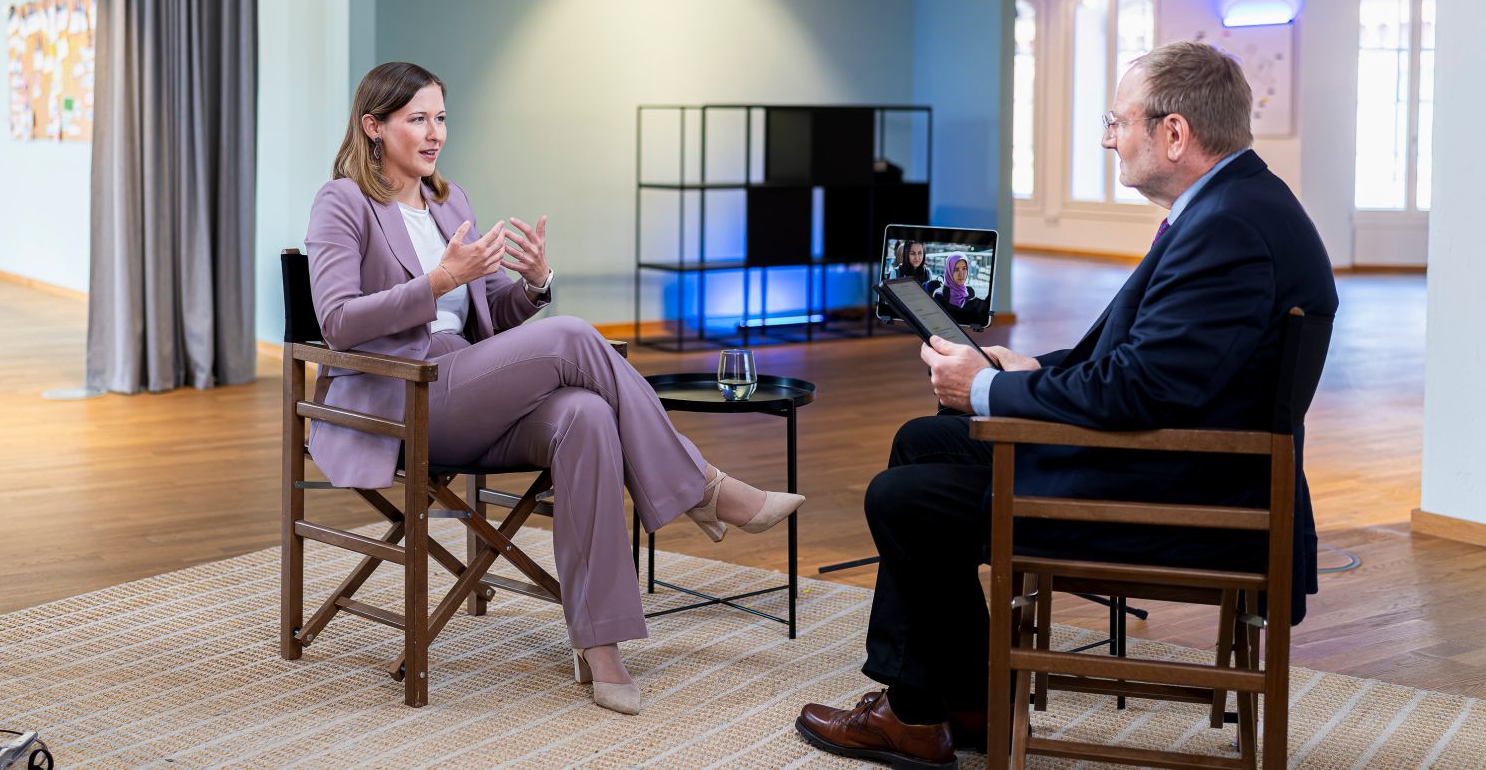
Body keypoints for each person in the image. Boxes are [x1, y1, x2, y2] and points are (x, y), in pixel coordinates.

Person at [795, 42, 1337, 767]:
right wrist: (1023, 368)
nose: (1110, 137)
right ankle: (957, 699)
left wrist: (985, 387)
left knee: (904, 497)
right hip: (1186, 464)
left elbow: (1141, 389)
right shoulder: (1235, 204)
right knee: (924, 441)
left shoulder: (1230, 228)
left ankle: (919, 715)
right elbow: (1146, 365)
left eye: (1118, 121)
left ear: (1174, 134)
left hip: (1186, 497)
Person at [305, 62, 803, 715]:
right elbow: (337, 319)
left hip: (470, 383)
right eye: (417, 118)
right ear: (374, 125)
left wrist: (532, 286)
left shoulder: (450, 202)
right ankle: (706, 487)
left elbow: (489, 315)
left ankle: (601, 644)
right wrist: (436, 281)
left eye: (441, 117)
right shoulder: (341, 201)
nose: (435, 133)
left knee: (587, 415)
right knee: (571, 337)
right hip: (405, 396)